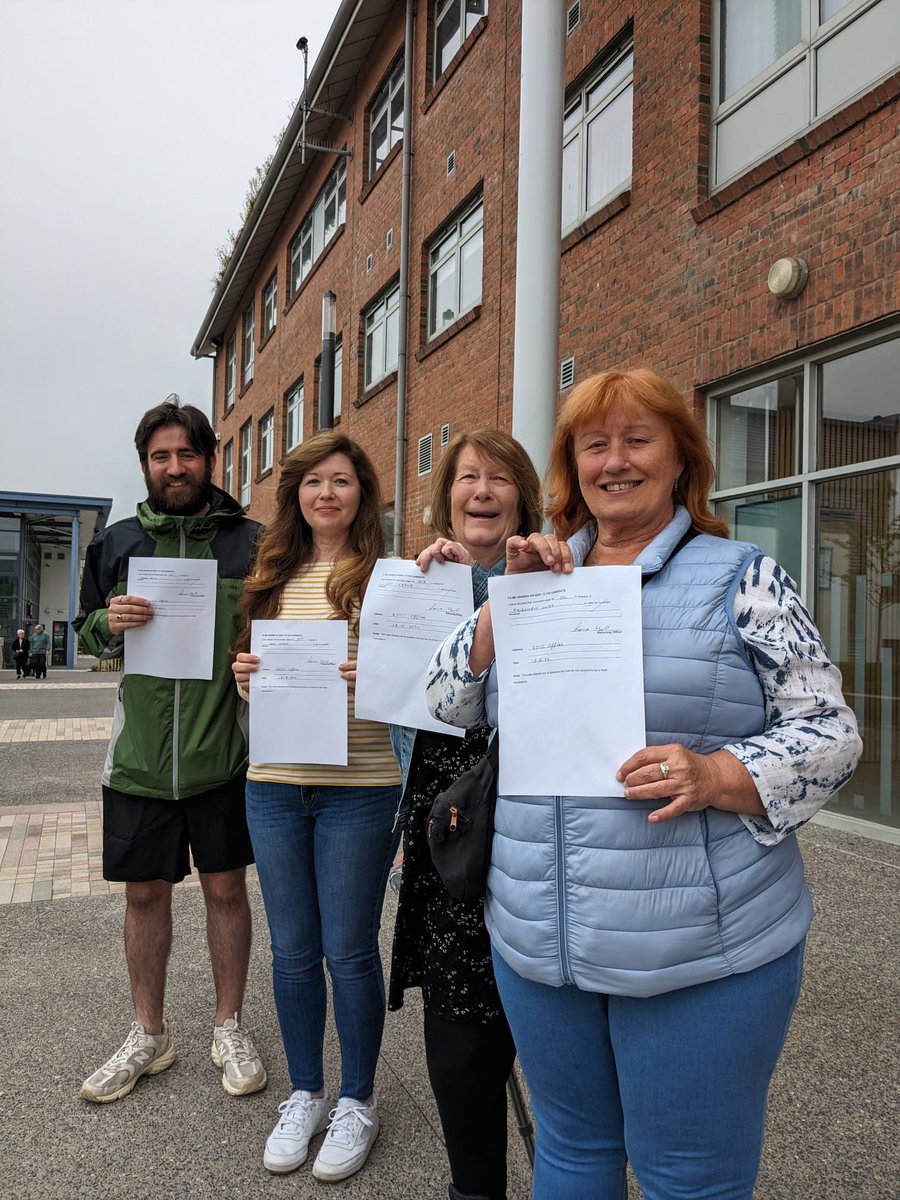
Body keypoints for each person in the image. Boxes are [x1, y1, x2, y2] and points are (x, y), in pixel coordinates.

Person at [426, 369, 863, 1200]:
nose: (615, 461)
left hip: (696, 950)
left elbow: (833, 734)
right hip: (537, 941)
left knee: (685, 1179)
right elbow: (446, 701)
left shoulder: (743, 576)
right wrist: (498, 607)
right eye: (595, 445)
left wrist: (719, 774)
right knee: (571, 1154)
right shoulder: (541, 579)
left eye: (638, 440)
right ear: (572, 466)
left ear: (679, 459)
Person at [75, 398, 266, 1105]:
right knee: (145, 892)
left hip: (223, 756)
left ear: (211, 459)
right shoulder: (119, 541)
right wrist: (107, 622)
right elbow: (85, 632)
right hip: (140, 762)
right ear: (146, 465)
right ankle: (148, 1034)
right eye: (161, 456)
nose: (175, 467)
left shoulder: (251, 541)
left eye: (187, 454)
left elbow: (276, 628)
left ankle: (229, 1024)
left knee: (225, 889)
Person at [232, 431, 400, 1184]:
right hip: (271, 784)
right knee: (293, 951)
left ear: (362, 492)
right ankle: (305, 1091)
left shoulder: (387, 578)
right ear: (295, 495)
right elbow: (254, 685)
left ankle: (357, 1098)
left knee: (350, 949)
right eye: (313, 482)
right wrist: (246, 678)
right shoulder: (269, 575)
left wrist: (378, 678)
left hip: (359, 790)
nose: (326, 493)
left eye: (342, 480)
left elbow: (417, 689)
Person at [388, 430, 543, 1200]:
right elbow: (404, 716)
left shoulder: (555, 570)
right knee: (458, 1050)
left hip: (533, 833)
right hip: (452, 844)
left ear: (524, 494)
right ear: (446, 494)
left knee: (551, 1049)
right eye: (468, 476)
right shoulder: (418, 582)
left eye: (500, 477)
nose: (483, 490)